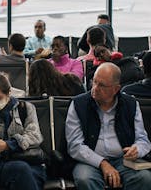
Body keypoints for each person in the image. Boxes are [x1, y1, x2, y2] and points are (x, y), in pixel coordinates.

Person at [65, 62, 151, 190]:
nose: (95, 88)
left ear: (116, 89)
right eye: (94, 82)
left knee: (144, 178)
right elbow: (75, 145)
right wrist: (102, 163)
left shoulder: (131, 104)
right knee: (85, 179)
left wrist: (137, 150)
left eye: (102, 85)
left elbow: (143, 140)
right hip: (89, 161)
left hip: (123, 160)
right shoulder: (79, 104)